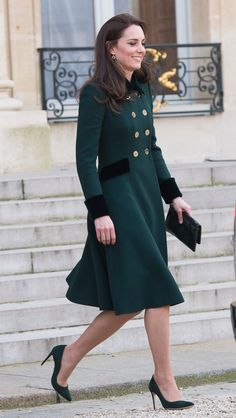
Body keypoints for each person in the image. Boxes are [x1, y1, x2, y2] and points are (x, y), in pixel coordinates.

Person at [41, 13, 194, 411]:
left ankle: (68, 357)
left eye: (142, 42)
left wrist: (173, 196)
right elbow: (83, 160)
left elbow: (153, 149)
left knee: (127, 302)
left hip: (145, 196)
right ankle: (164, 381)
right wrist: (99, 212)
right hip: (118, 201)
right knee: (157, 290)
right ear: (111, 48)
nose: (140, 48)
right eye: (132, 42)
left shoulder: (142, 88)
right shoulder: (95, 94)